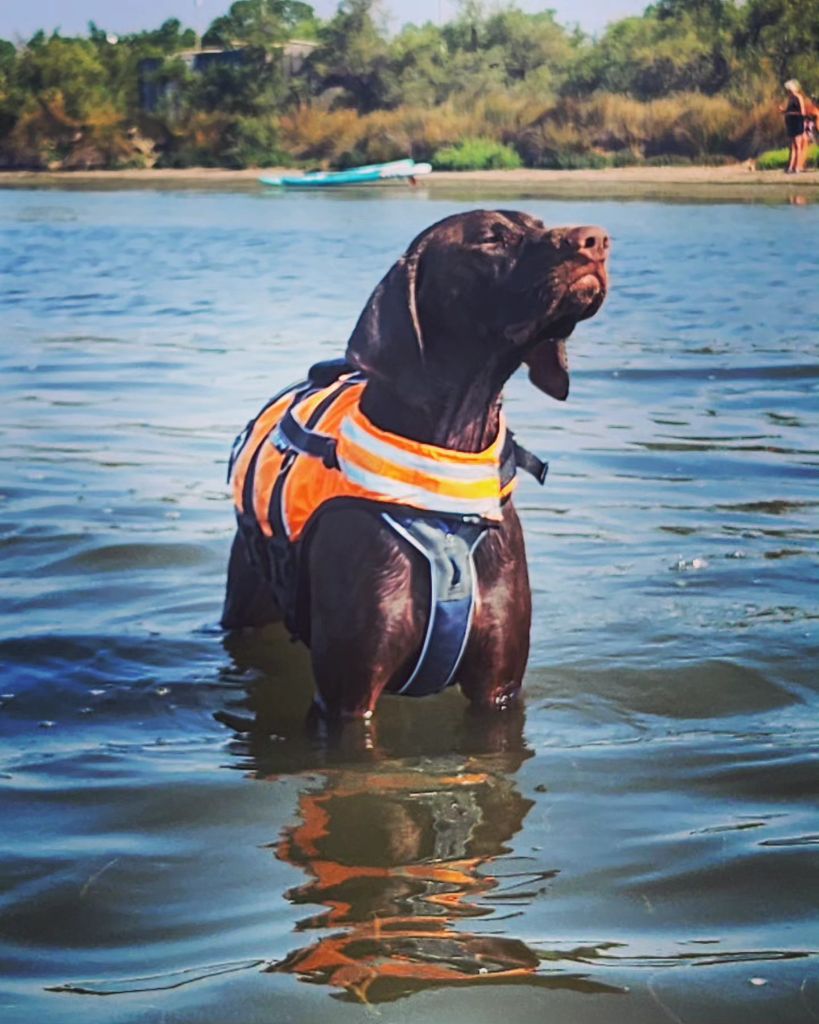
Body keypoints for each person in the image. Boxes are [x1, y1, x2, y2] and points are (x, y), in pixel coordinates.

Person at [780, 79, 812, 173]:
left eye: (788, 90)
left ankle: (797, 167)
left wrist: (789, 113)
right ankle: (791, 167)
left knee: (797, 145)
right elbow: (788, 111)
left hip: (797, 123)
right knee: (792, 146)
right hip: (791, 124)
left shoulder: (798, 97)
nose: (787, 92)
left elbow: (802, 112)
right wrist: (784, 111)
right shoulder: (790, 99)